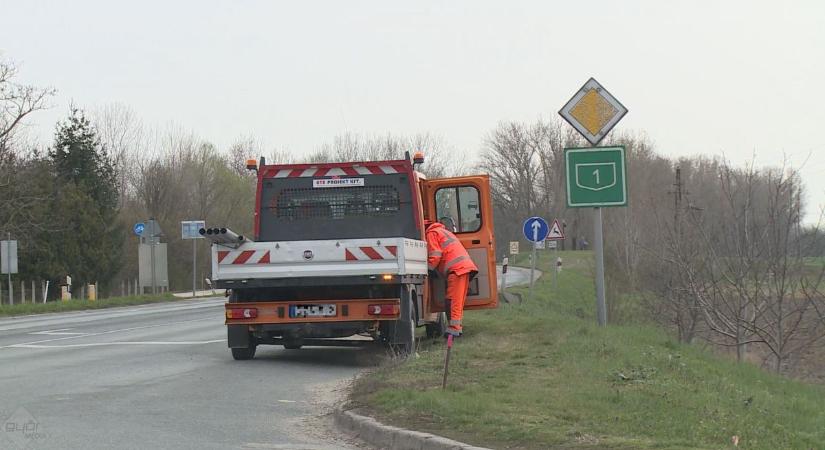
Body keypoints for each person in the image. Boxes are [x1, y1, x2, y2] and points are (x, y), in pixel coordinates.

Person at [425, 219, 478, 337]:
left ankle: (454, 329)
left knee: (452, 301)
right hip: (463, 268)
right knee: (457, 301)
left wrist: (428, 269)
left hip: (457, 270)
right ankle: (456, 328)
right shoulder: (443, 231)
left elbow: (435, 255)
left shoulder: (431, 233)